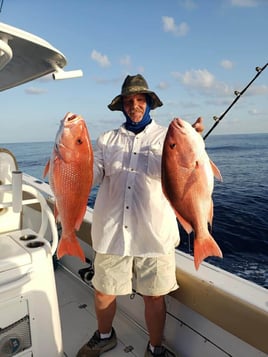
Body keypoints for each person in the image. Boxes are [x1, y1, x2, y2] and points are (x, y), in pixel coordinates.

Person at [77, 74, 203, 357]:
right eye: (129, 101)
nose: (134, 105)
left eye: (140, 99)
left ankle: (155, 348)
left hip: (154, 234)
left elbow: (184, 175)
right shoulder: (107, 140)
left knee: (155, 296)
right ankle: (104, 335)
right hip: (112, 232)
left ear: (149, 103)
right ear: (121, 106)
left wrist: (191, 143)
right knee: (102, 291)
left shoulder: (166, 137)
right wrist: (74, 160)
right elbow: (94, 175)